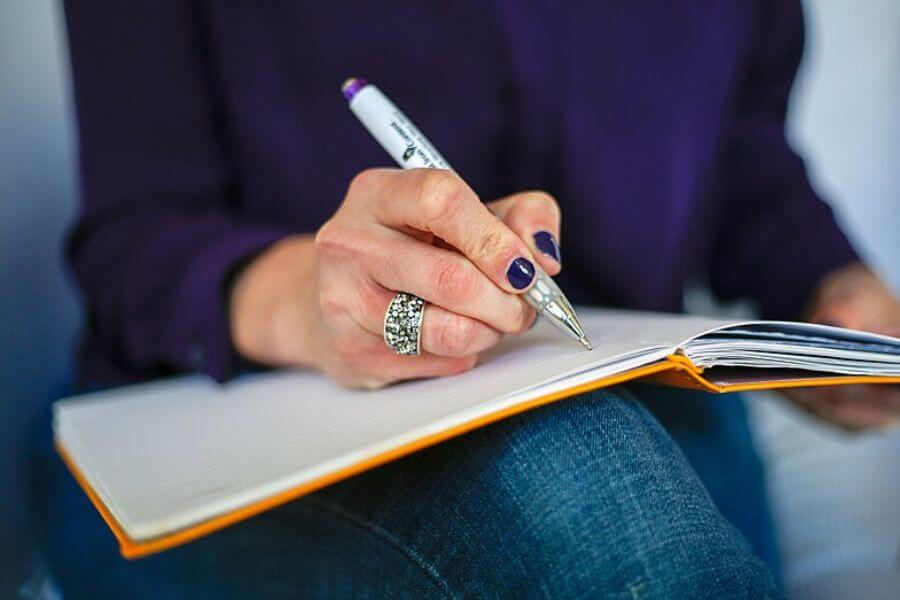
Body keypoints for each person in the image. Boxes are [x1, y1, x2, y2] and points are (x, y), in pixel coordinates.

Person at [38, 0, 899, 597]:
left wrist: (830, 283)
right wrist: (314, 300)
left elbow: (739, 149)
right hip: (234, 423)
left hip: (646, 390)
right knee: (593, 491)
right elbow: (132, 235)